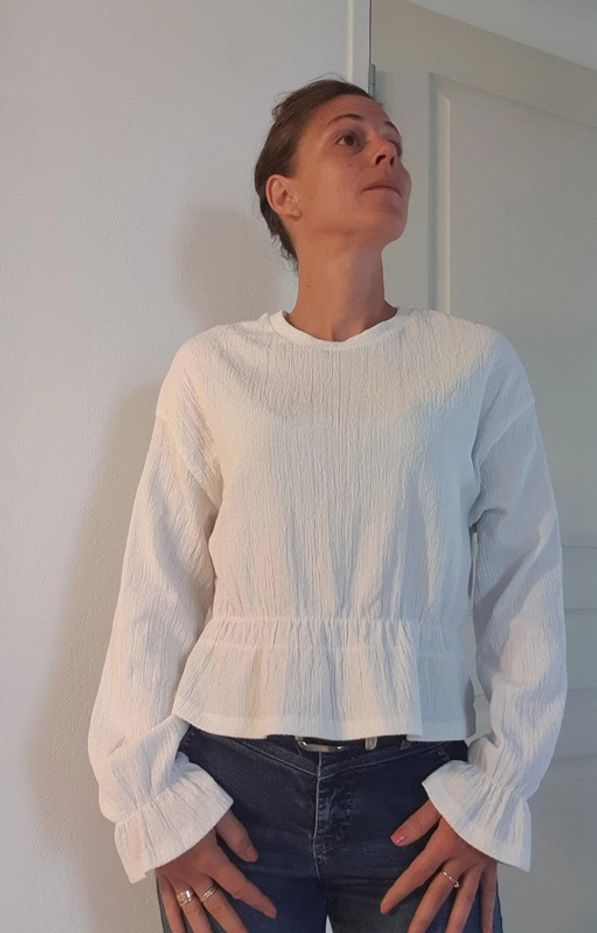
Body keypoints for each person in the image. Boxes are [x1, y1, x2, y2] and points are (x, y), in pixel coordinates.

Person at [87, 76, 567, 933]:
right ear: (286, 195)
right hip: (233, 786)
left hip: (417, 791)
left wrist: (495, 795)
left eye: (393, 143)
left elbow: (524, 581)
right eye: (351, 137)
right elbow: (157, 588)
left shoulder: (473, 364)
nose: (387, 152)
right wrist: (154, 806)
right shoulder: (212, 368)